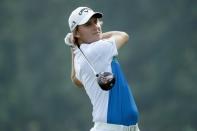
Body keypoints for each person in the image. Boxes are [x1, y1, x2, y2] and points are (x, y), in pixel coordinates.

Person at [65, 7, 140, 131]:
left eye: (96, 21)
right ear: (77, 33)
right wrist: (80, 42)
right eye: (88, 24)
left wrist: (74, 45)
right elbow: (123, 35)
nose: (96, 26)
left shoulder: (80, 55)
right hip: (112, 127)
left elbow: (75, 79)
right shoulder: (98, 49)